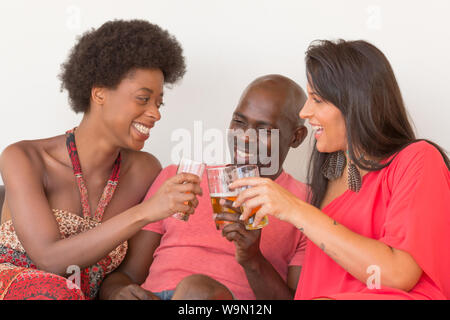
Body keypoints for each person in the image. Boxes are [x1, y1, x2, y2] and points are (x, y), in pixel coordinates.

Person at [231, 40, 450, 300]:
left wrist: (296, 210)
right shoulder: (328, 176)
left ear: (356, 103)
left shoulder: (417, 159)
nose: (305, 111)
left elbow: (399, 274)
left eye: (318, 100)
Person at [0, 20, 202, 300]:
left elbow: (126, 276)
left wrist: (120, 292)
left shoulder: (144, 170)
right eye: (143, 99)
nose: (156, 114)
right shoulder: (25, 158)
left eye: (159, 102)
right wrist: (148, 211)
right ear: (99, 93)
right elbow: (49, 259)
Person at [99, 74, 309, 300]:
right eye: (239, 122)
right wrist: (119, 293)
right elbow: (127, 275)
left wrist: (252, 259)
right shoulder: (179, 179)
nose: (245, 138)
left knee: (198, 291)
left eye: (264, 129)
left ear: (296, 137)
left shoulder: (305, 205)